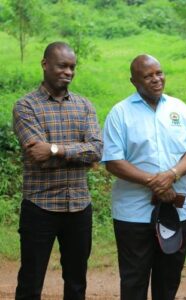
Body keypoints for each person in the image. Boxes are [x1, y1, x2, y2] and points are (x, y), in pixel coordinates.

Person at [102, 54, 186, 300]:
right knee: (134, 279)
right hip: (133, 214)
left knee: (168, 280)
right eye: (148, 76)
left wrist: (171, 175)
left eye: (159, 73)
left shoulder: (178, 108)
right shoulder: (120, 113)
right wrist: (154, 183)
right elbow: (113, 161)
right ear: (134, 81)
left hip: (177, 210)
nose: (156, 79)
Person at [12, 41, 103, 300]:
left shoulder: (85, 106)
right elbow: (37, 156)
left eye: (72, 67)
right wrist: (77, 153)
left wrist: (54, 150)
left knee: (76, 283)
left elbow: (96, 150)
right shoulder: (25, 106)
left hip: (79, 206)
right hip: (40, 206)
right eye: (62, 66)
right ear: (45, 65)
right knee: (31, 281)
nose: (69, 72)